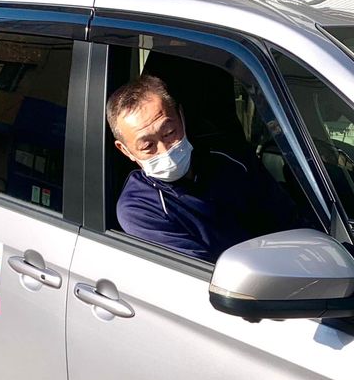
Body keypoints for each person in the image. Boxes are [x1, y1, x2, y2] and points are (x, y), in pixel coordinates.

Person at [107, 74, 302, 262]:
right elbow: (202, 274)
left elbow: (290, 221)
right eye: (147, 146)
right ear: (125, 150)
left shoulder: (232, 162)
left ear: (181, 117)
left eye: (169, 133)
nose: (165, 150)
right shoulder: (140, 209)